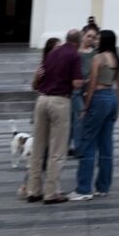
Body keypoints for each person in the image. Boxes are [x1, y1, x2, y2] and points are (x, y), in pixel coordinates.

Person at [26, 29, 83, 204]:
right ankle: (51, 192)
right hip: (60, 101)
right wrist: (86, 82)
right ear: (78, 41)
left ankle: (33, 190)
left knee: (38, 148)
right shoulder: (74, 55)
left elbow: (40, 76)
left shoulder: (52, 53)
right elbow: (76, 83)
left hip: (42, 99)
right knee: (57, 150)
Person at [69, 29, 119, 200]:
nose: (96, 41)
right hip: (111, 97)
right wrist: (117, 107)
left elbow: (92, 84)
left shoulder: (98, 58)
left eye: (99, 38)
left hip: (98, 98)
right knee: (106, 145)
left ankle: (84, 188)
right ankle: (103, 186)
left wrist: (85, 106)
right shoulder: (116, 59)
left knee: (88, 141)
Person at [70, 22, 99, 156]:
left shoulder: (94, 53)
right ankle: (73, 146)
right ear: (82, 35)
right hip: (74, 88)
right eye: (89, 36)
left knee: (80, 117)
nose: (90, 39)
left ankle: (78, 146)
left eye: (93, 37)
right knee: (74, 117)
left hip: (87, 88)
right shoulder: (75, 52)